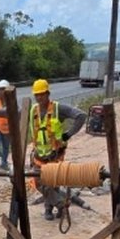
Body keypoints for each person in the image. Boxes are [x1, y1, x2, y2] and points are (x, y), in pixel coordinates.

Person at [27, 79, 86, 220]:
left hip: (55, 155)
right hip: (38, 156)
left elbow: (81, 115)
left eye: (42, 94)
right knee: (39, 183)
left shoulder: (58, 109)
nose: (39, 97)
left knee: (53, 183)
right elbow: (13, 113)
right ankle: (61, 204)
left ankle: (50, 210)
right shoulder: (33, 110)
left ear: (48, 93)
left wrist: (68, 134)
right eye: (37, 95)